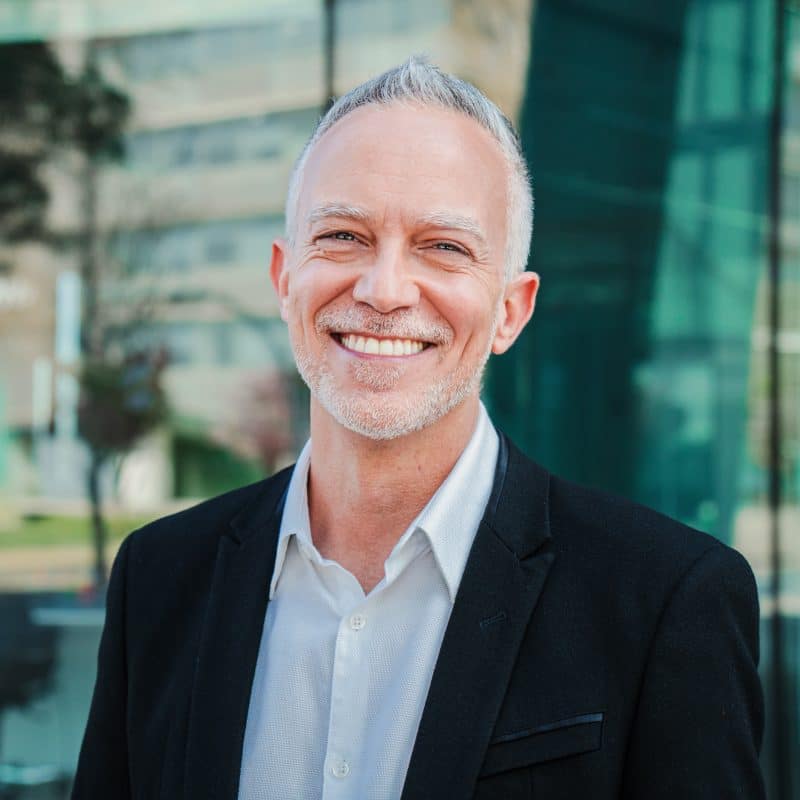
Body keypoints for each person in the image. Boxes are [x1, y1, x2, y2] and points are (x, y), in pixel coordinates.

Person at [72, 57, 765, 800]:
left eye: (444, 247)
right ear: (283, 279)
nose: (384, 290)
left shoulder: (664, 601)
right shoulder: (159, 578)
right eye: (343, 235)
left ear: (511, 310)